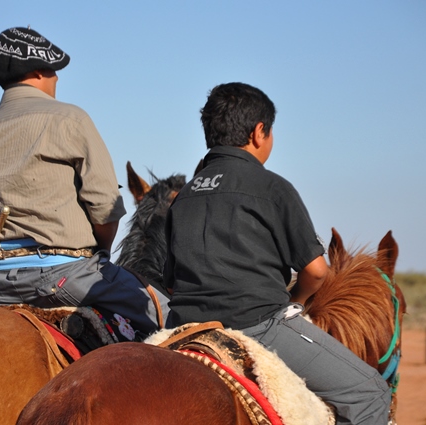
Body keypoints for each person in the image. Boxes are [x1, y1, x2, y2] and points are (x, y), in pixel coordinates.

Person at [163, 82, 391, 424]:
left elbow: (170, 283)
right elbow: (316, 270)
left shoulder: (184, 196)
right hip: (257, 325)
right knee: (370, 392)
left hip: (184, 327)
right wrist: (293, 301)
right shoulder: (272, 187)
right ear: (259, 132)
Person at [0, 26, 169, 341]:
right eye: (54, 72)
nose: (57, 79)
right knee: (172, 318)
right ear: (41, 72)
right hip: (65, 276)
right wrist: (101, 255)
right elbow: (105, 209)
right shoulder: (71, 120)